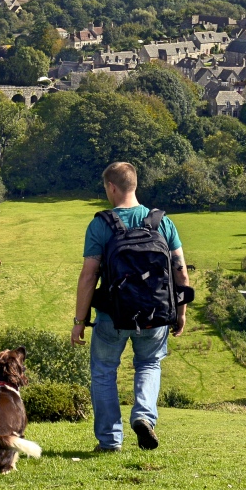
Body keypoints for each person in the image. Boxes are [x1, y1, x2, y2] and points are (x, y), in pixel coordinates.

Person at [70, 161, 191, 452]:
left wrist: (79, 321)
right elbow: (181, 271)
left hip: (113, 316)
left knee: (103, 372)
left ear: (112, 187)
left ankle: (110, 441)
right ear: (134, 184)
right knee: (149, 364)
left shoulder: (101, 224)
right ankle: (143, 416)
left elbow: (89, 277)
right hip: (156, 315)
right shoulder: (162, 221)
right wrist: (180, 312)